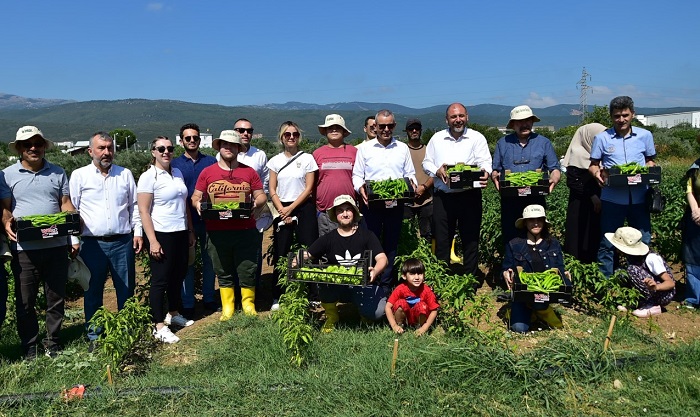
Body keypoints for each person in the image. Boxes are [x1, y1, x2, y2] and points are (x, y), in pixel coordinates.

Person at [1, 126, 80, 359]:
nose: (33, 148)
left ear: (44, 145)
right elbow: (5, 209)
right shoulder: (7, 175)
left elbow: (65, 204)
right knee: (25, 302)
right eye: (27, 144)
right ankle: (30, 347)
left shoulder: (58, 172)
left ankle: (52, 343)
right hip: (24, 249)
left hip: (55, 246)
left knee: (55, 298)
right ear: (19, 148)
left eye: (37, 143)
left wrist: (73, 232)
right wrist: (6, 222)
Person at [69, 131, 143, 351]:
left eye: (110, 148)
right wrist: (73, 239)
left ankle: (127, 332)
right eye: (101, 148)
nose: (106, 152)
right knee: (92, 291)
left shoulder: (125, 174)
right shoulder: (79, 176)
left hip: (122, 242)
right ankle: (95, 336)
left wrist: (137, 232)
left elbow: (135, 206)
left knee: (126, 289)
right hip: (92, 244)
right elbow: (72, 210)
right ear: (90, 151)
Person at [191, 130, 267, 320]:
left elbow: (261, 194)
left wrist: (257, 203)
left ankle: (248, 304)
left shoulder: (248, 172)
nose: (228, 148)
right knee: (222, 268)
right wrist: (198, 204)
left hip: (245, 230)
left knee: (247, 267)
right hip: (217, 231)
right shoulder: (208, 172)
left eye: (232, 145)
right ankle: (228, 307)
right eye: (224, 144)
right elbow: (196, 196)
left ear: (238, 149)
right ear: (219, 147)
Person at [589, 96, 657, 278]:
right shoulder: (602, 138)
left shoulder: (645, 136)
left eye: (625, 115)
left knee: (642, 240)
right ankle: (606, 282)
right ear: (611, 117)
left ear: (632, 115)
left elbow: (650, 160)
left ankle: (641, 279)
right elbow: (593, 164)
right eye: (617, 116)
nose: (621, 120)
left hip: (640, 197)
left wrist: (649, 172)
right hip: (612, 198)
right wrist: (596, 174)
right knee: (607, 242)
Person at [137, 136, 195, 344]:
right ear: (153, 151)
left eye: (170, 148)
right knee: (160, 280)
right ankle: (158, 325)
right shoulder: (148, 177)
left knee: (177, 275)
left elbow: (185, 203)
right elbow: (143, 211)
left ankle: (173, 312)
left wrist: (189, 230)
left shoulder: (177, 173)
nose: (166, 152)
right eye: (161, 148)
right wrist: (152, 240)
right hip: (161, 233)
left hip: (180, 231)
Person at [353, 109, 417, 296]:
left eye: (390, 126)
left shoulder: (402, 148)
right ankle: (369, 281)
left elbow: (409, 173)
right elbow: (357, 175)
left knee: (391, 244)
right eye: (382, 126)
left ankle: (386, 285)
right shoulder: (364, 149)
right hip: (372, 204)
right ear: (376, 127)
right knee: (369, 243)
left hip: (395, 204)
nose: (386, 129)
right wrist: (361, 188)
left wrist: (412, 183)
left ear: (395, 126)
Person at [303, 195, 388, 332]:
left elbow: (382, 258)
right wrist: (295, 260)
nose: (345, 214)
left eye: (348, 210)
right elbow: (309, 254)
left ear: (354, 213)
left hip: (363, 284)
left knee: (376, 313)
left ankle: (365, 315)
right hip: (337, 285)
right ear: (335, 215)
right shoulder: (328, 238)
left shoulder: (367, 235)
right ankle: (332, 316)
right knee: (324, 280)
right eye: (340, 210)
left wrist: (375, 271)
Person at [423, 103, 491, 275]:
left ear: (467, 117)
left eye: (461, 116)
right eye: (453, 117)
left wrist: (485, 173)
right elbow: (426, 162)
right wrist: (437, 171)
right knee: (442, 238)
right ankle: (443, 277)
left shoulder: (477, 138)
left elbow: (485, 161)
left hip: (470, 196)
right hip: (443, 198)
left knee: (470, 238)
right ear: (447, 120)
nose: (458, 120)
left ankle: (470, 278)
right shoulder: (437, 139)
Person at [267, 121, 318, 311]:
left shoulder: (307, 159)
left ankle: (313, 295)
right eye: (287, 134)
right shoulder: (275, 161)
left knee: (309, 251)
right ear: (281, 137)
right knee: (281, 252)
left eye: (295, 134)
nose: (291, 137)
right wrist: (282, 209)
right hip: (282, 206)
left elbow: (309, 188)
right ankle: (277, 296)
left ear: (299, 137)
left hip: (303, 207)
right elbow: (272, 188)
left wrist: (291, 209)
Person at [492, 105, 561, 244]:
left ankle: (537, 263)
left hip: (536, 197)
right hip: (510, 198)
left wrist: (555, 177)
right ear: (512, 125)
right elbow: (496, 170)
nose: (524, 124)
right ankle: (512, 264)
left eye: (528, 120)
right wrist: (495, 178)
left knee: (537, 235)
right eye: (519, 121)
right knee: (511, 234)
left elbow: (554, 168)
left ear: (532, 122)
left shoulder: (543, 142)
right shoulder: (503, 143)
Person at [171, 123, 217, 318]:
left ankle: (209, 298)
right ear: (181, 141)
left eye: (195, 138)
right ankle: (188, 302)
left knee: (210, 261)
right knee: (187, 263)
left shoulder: (211, 162)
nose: (192, 141)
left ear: (199, 140)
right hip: (184, 222)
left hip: (208, 220)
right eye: (188, 138)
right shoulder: (174, 165)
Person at [502, 205, 565, 333]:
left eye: (539, 220)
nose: (536, 223)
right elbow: (506, 267)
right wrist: (505, 273)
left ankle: (539, 309)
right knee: (519, 328)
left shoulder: (553, 244)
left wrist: (564, 275)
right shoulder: (514, 244)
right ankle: (524, 310)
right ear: (525, 223)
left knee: (539, 303)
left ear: (544, 222)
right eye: (531, 220)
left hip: (544, 291)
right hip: (524, 294)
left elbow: (559, 267)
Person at [605, 227, 675, 317]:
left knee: (631, 270)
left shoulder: (651, 258)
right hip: (649, 289)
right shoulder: (631, 257)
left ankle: (653, 305)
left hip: (662, 294)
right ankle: (637, 301)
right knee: (620, 272)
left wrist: (655, 287)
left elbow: (670, 283)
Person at [562, 123, 607, 263]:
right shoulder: (578, 153)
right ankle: (578, 266)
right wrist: (592, 196)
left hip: (601, 200)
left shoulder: (602, 154)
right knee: (579, 234)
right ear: (589, 137)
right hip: (581, 203)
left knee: (597, 233)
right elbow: (573, 182)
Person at [313, 114, 358, 236]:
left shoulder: (354, 152)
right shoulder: (317, 154)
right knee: (328, 248)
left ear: (343, 131)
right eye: (330, 127)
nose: (334, 130)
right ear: (325, 131)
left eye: (337, 127)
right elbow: (312, 183)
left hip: (349, 211)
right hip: (325, 211)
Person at [385, 258, 439, 336]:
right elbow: (388, 307)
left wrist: (425, 327)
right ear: (404, 276)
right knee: (400, 303)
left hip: (419, 320)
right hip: (405, 316)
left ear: (424, 275)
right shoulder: (400, 289)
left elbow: (434, 310)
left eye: (420, 273)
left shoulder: (426, 290)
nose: (417, 277)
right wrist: (394, 325)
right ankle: (400, 326)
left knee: (422, 306)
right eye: (412, 274)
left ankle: (419, 327)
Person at [403, 118, 433, 241]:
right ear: (407, 131)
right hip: (406, 200)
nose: (414, 131)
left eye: (417, 128)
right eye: (411, 128)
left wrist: (424, 187)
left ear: (421, 130)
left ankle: (428, 259)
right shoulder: (402, 151)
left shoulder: (429, 151)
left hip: (427, 199)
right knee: (406, 234)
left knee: (428, 234)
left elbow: (435, 173)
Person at [681, 143, 700, 309]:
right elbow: (690, 190)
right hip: (696, 217)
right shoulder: (696, 168)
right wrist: (695, 210)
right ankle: (693, 298)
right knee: (693, 256)